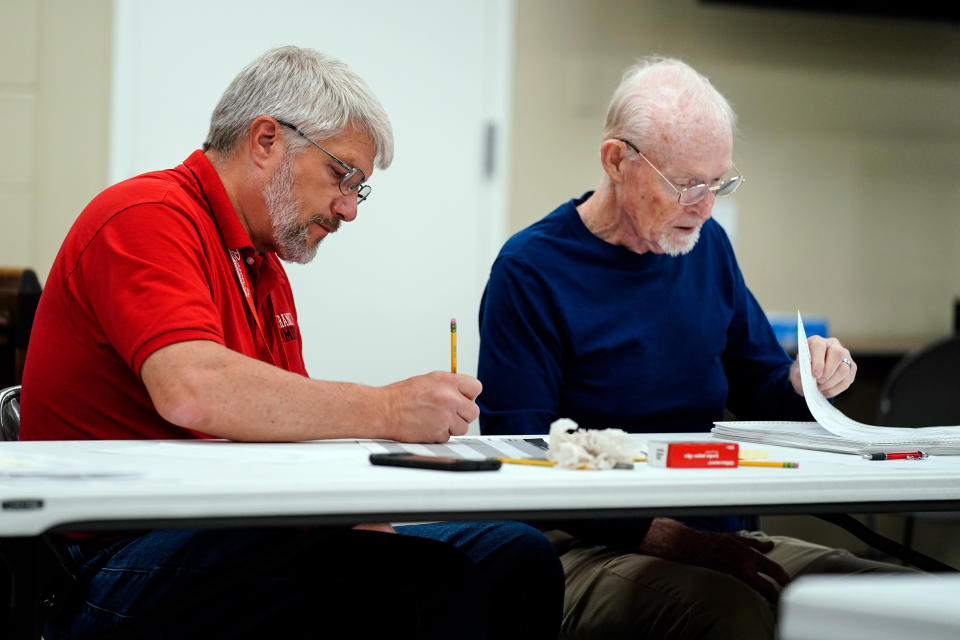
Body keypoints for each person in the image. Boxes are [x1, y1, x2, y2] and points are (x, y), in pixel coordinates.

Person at [20, 46, 562, 640]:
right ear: (265, 141)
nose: (349, 210)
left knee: (516, 555)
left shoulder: (263, 265)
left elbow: (284, 432)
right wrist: (387, 409)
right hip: (111, 558)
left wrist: (350, 513)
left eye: (360, 189)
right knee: (416, 582)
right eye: (343, 176)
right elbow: (192, 390)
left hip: (225, 531)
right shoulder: (144, 216)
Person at [477, 56, 912, 640]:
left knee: (898, 598)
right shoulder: (532, 271)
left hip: (719, 537)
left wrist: (807, 380)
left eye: (721, 182)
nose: (706, 207)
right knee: (732, 615)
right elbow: (525, 461)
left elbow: (761, 386)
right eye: (686, 184)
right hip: (583, 548)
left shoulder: (706, 250)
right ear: (616, 161)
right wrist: (682, 542)